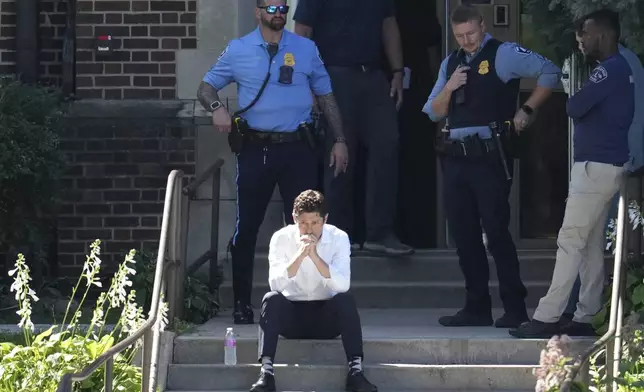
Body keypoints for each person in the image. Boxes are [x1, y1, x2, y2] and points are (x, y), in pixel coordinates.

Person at [196, 0, 349, 325]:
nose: (278, 12)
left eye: (283, 7)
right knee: (247, 228)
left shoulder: (306, 48)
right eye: (271, 7)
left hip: (298, 149)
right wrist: (216, 109)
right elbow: (205, 87)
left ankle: (305, 303)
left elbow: (325, 96)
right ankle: (241, 304)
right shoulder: (239, 49)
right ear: (258, 12)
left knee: (306, 228)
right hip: (256, 149)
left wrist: (339, 140)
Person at [423, 4, 561, 328]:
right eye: (460, 36)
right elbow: (432, 112)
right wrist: (449, 85)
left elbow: (550, 72)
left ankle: (515, 308)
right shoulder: (450, 63)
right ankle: (476, 307)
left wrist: (527, 109)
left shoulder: (503, 54)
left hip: (488, 155)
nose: (467, 40)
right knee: (464, 235)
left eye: (471, 33)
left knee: (497, 233)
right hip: (456, 158)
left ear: (482, 26)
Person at [511, 9, 634, 339]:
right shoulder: (621, 67)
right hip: (608, 166)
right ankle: (587, 314)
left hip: (594, 168)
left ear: (605, 35)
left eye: (587, 33)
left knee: (570, 241)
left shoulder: (607, 71)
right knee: (590, 244)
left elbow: (573, 107)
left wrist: (576, 92)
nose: (581, 39)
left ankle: (547, 316)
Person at [293, 0, 414, 256]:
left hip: (372, 74)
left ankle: (379, 234)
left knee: (387, 144)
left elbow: (388, 25)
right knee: (340, 153)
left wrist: (397, 71)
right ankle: (338, 235)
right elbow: (302, 32)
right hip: (333, 75)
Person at [250, 189, 377, 392]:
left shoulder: (339, 238)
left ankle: (356, 371)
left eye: (315, 223)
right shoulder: (280, 238)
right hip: (291, 317)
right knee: (271, 298)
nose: (309, 230)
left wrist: (316, 258)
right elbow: (275, 284)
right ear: (294, 218)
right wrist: (299, 256)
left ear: (325, 219)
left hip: (326, 317)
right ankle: (266, 373)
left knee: (346, 300)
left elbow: (343, 285)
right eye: (303, 223)